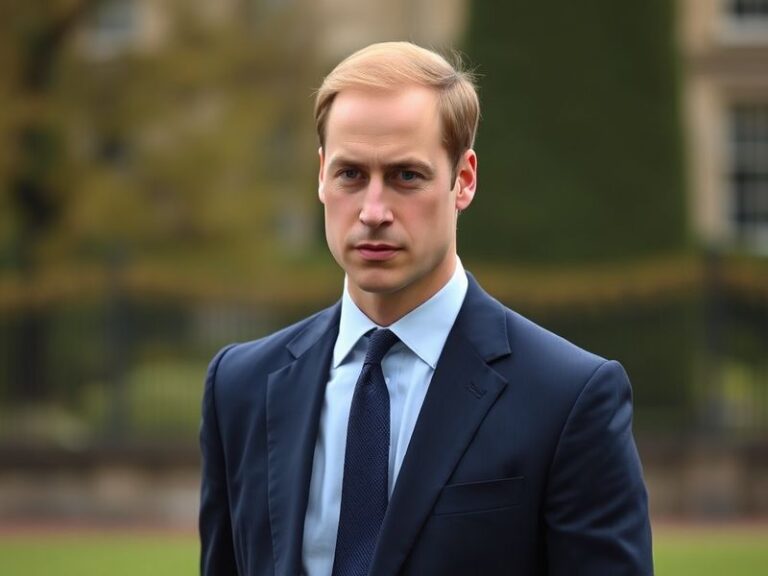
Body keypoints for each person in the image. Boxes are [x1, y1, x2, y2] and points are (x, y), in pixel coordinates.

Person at [199, 41, 653, 576]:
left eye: (405, 176)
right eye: (350, 174)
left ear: (464, 179)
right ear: (321, 175)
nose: (372, 211)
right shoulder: (241, 386)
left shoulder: (569, 398)